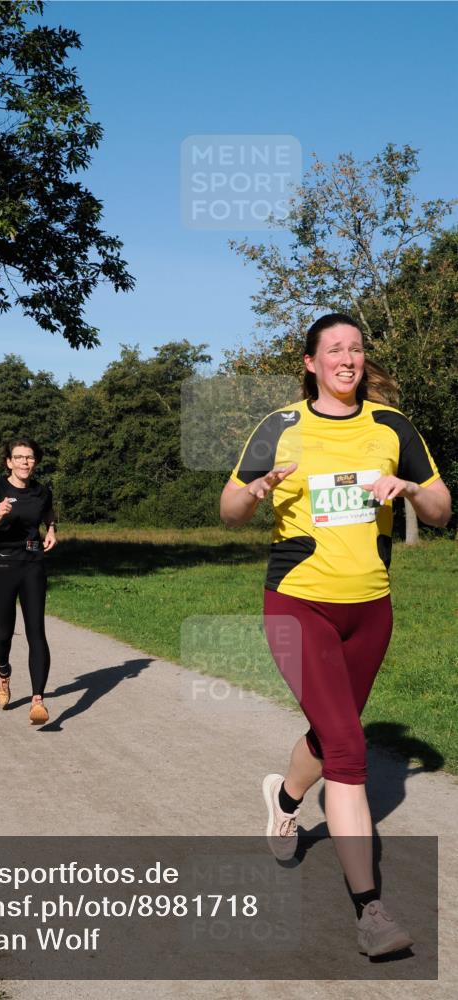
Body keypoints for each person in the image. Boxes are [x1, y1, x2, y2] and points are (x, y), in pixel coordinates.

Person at [220, 313, 451, 958]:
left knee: (332, 730)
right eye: (334, 350)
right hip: (298, 605)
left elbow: (442, 507)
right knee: (348, 752)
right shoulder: (282, 427)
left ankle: (285, 795)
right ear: (311, 362)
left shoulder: (393, 428)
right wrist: (258, 489)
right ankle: (370, 912)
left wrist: (409, 490)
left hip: (371, 608)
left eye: (355, 349)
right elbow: (229, 507)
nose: (347, 358)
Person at [0, 438, 57, 724]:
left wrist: (52, 528)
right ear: (8, 462)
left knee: (36, 633)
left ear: (36, 461)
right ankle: (3, 673)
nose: (24, 462)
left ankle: (37, 701)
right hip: (2, 565)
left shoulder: (42, 491)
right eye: (18, 457)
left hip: (33, 564)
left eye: (29, 457)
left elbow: (48, 512)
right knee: (4, 633)